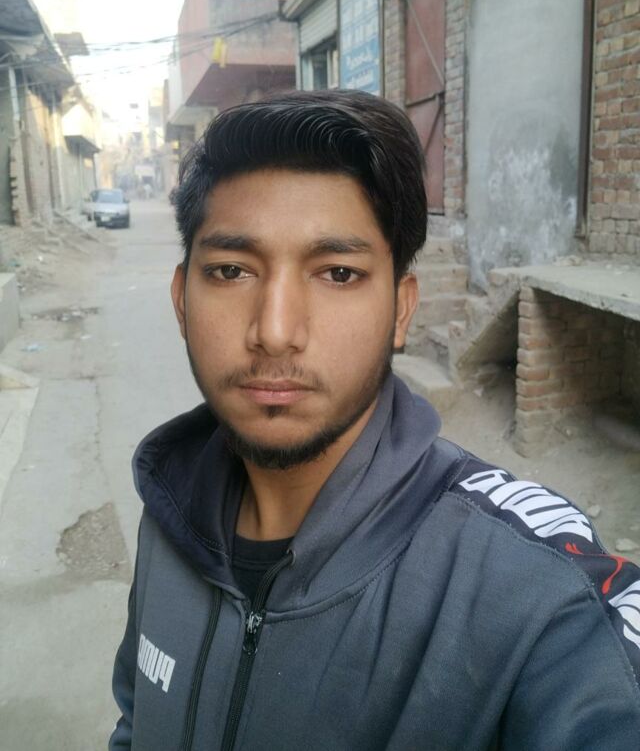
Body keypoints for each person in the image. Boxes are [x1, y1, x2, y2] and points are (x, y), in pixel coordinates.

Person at [109, 90, 640, 750]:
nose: (275, 331)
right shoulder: (171, 508)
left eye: (337, 272)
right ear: (181, 301)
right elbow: (135, 721)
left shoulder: (530, 589)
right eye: (231, 270)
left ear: (400, 310)